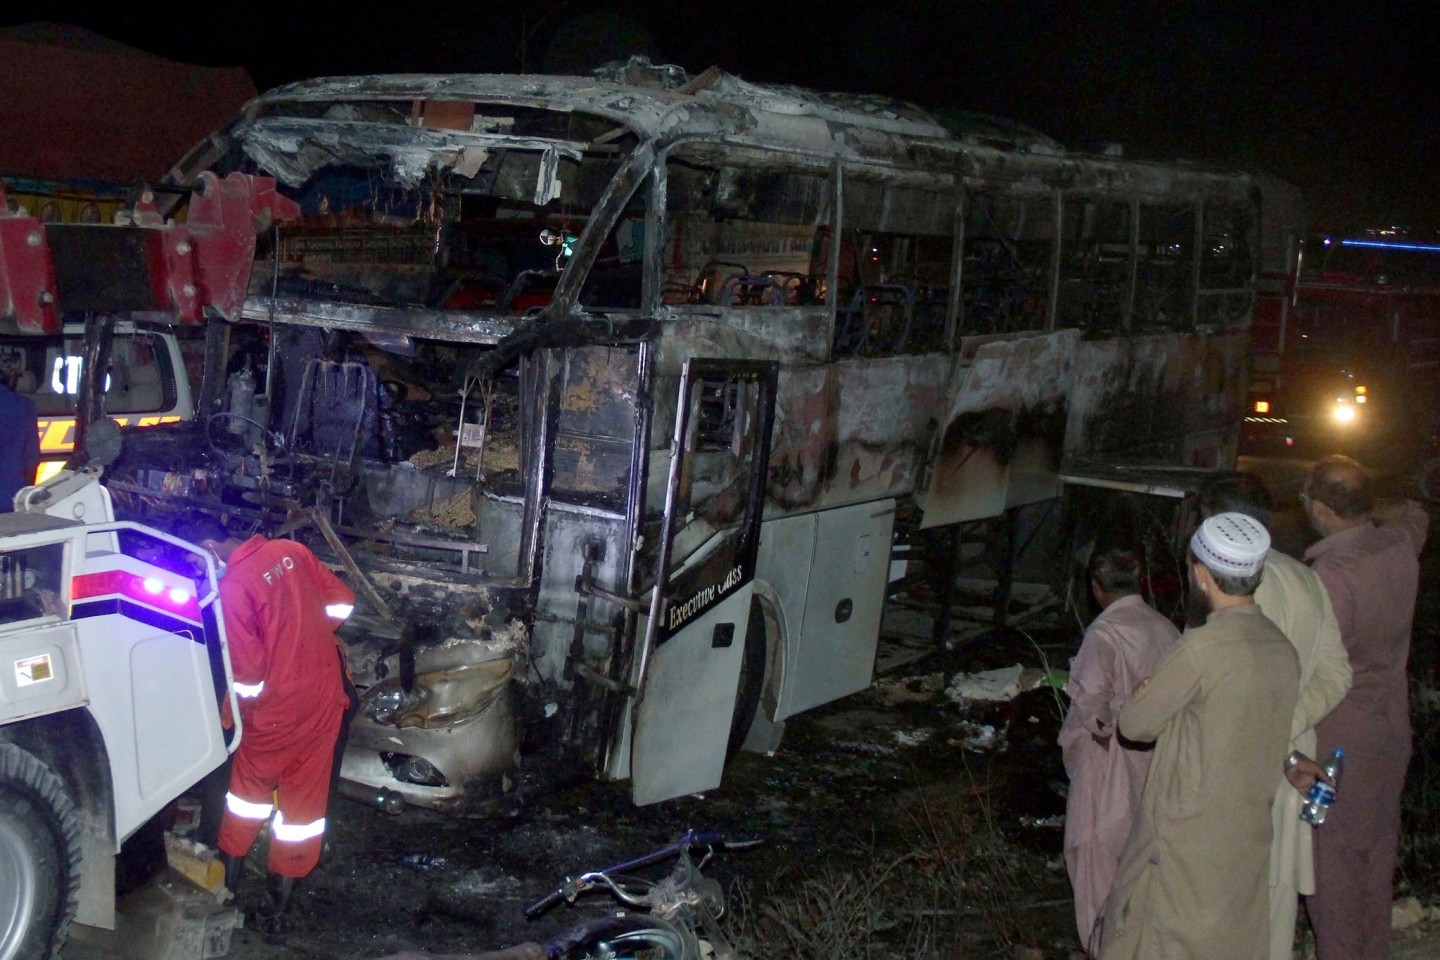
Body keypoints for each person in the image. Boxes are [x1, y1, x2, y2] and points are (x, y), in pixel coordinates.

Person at [1099, 513, 1299, 960]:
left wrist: (1146, 694)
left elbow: (1134, 725)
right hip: (1245, 831)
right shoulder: (1280, 648)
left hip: (1184, 838)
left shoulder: (1201, 649)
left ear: (1201, 575)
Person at [1196, 474, 1352, 960]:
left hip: (1240, 770)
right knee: (1275, 913)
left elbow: (1225, 698)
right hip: (1294, 767)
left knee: (1219, 914)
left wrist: (1272, 735)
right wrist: (1288, 728)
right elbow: (1337, 673)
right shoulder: (1304, 579)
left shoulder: (1228, 591)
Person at [182, 516, 355, 938]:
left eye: (194, 560)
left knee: (245, 801)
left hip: (277, 712)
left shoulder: (234, 586)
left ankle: (226, 893)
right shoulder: (291, 551)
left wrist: (229, 715)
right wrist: (305, 634)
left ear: (208, 544)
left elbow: (249, 675)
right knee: (303, 812)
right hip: (324, 697)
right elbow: (342, 602)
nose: (197, 570)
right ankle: (277, 911)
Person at [1299, 455, 1429, 960]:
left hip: (1338, 745)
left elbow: (1313, 669)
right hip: (1390, 734)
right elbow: (1415, 511)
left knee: (1333, 871)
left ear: (1323, 510)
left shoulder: (1330, 577)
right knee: (1376, 857)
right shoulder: (1399, 544)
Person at [1058, 548, 1179, 955]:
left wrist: (1106, 730)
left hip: (1108, 765)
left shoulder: (1104, 634)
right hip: (1156, 763)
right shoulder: (1165, 629)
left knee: (1095, 863)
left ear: (1097, 588)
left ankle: (1103, 949)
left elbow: (1092, 706)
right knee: (1139, 867)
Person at [0, 356, 41, 511]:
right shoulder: (25, 408)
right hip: (11, 500)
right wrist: (26, 498)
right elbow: (31, 461)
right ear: (12, 378)